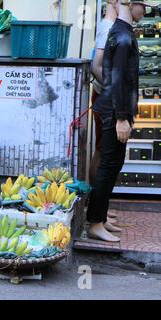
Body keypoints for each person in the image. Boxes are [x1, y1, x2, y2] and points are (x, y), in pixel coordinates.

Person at [87, 0, 146, 242]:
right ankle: (95, 223)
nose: (145, 10)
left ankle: (99, 218)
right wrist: (122, 117)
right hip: (115, 111)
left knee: (113, 164)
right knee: (109, 164)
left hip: (114, 109)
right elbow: (118, 79)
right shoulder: (121, 36)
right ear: (130, 4)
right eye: (143, 4)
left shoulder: (120, 32)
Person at [90, 0, 119, 223]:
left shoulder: (112, 24)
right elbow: (96, 65)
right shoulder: (108, 26)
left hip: (105, 95)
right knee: (102, 151)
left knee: (103, 151)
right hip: (104, 96)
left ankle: (99, 209)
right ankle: (95, 211)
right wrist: (114, 90)